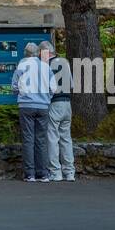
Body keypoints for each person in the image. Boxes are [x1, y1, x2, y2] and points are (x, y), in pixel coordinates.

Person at [12, 41, 51, 182]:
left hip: (26, 105)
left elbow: (14, 86)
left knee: (28, 139)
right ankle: (43, 174)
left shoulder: (21, 65)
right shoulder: (46, 67)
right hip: (43, 106)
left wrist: (23, 95)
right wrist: (46, 98)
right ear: (37, 53)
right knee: (41, 140)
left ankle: (30, 174)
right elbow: (53, 87)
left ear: (25, 53)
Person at [41, 39, 76, 182]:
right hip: (67, 104)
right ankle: (70, 172)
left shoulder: (46, 65)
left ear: (45, 53)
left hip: (54, 103)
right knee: (66, 138)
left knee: (52, 138)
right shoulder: (65, 62)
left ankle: (56, 172)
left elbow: (46, 88)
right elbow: (71, 85)